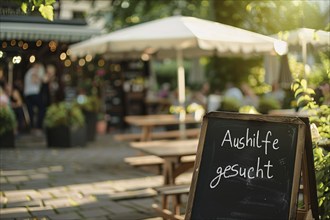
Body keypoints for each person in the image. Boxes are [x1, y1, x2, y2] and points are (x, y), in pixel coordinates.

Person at [23, 62, 45, 135]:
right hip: (33, 93)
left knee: (31, 111)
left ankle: (32, 128)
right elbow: (34, 80)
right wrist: (41, 79)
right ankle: (38, 126)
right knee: (42, 108)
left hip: (27, 94)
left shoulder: (28, 72)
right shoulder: (33, 71)